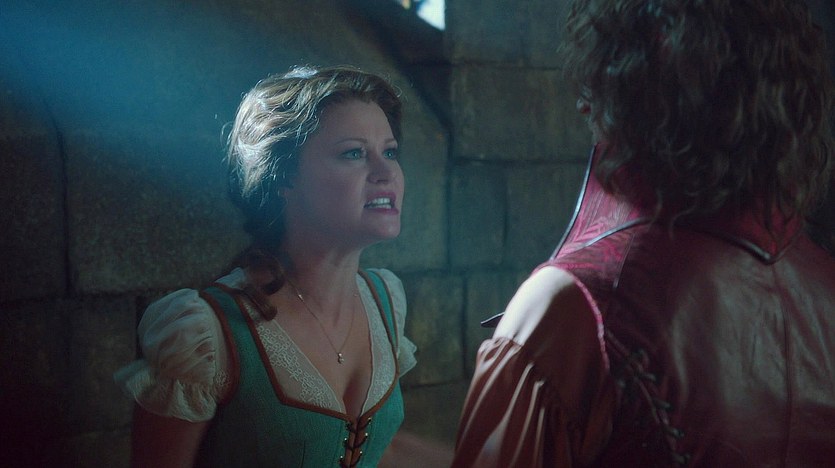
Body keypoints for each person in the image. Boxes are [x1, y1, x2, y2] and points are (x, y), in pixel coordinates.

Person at [453, 0, 835, 466]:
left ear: (631, 94)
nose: (581, 105)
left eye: (600, 77)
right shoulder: (825, 283)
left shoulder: (574, 307)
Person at [114, 65, 418, 467]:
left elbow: (383, 449)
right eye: (354, 153)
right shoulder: (205, 334)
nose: (385, 173)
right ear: (283, 178)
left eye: (390, 152)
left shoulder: (385, 301)